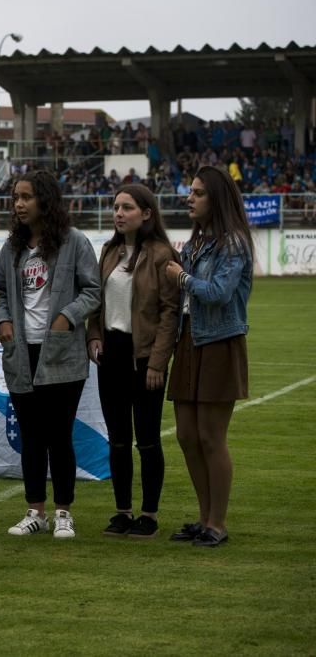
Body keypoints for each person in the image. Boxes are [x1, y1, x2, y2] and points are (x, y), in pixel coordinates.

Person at [0, 170, 100, 539]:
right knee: (31, 437)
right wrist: (2, 321)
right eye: (15, 198)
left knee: (59, 436)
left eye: (26, 197)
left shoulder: (74, 242)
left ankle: (63, 511)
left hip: (62, 355)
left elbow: (93, 290)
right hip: (21, 354)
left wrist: (66, 318)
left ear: (45, 201)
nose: (19, 204)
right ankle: (35, 511)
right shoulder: (11, 248)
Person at [164, 165, 253, 548]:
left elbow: (216, 292)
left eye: (198, 193)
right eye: (191, 191)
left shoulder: (233, 243)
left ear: (216, 199)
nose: (190, 197)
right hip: (190, 341)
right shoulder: (197, 243)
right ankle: (203, 518)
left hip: (220, 341)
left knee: (211, 437)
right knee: (186, 435)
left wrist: (181, 277)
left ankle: (217, 522)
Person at [86, 184, 180, 539]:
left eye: (127, 207)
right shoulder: (108, 252)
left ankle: (149, 515)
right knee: (118, 439)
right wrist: (93, 337)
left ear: (147, 214)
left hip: (145, 358)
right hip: (112, 354)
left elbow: (171, 313)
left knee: (148, 439)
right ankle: (123, 511)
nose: (119, 213)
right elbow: (94, 302)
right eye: (115, 207)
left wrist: (158, 362)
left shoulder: (162, 254)